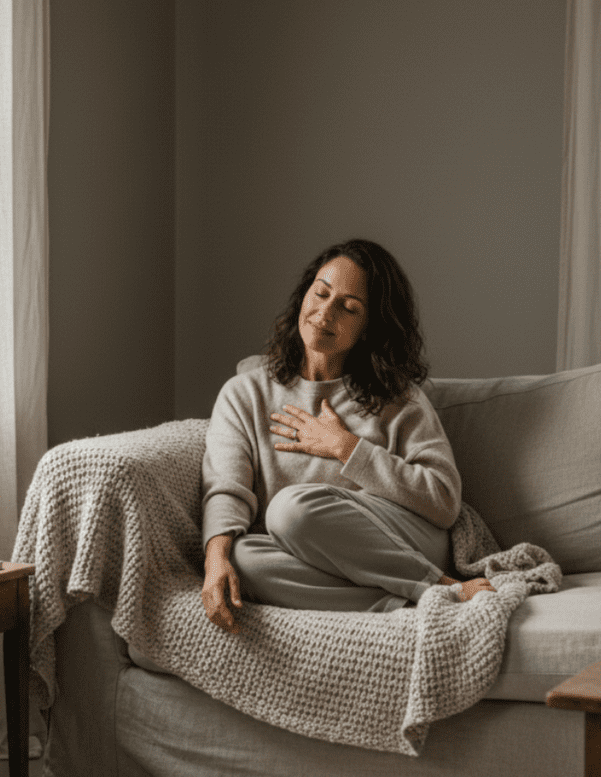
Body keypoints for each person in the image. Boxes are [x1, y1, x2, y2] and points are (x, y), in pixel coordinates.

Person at [201, 238, 495, 633]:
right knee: (244, 558)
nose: (325, 313)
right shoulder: (245, 394)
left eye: (349, 307)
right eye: (321, 293)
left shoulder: (397, 397)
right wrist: (214, 560)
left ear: (369, 327)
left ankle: (435, 583)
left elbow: (443, 500)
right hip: (320, 557)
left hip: (409, 540)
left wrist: (345, 447)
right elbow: (226, 488)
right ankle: (413, 598)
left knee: (289, 510)